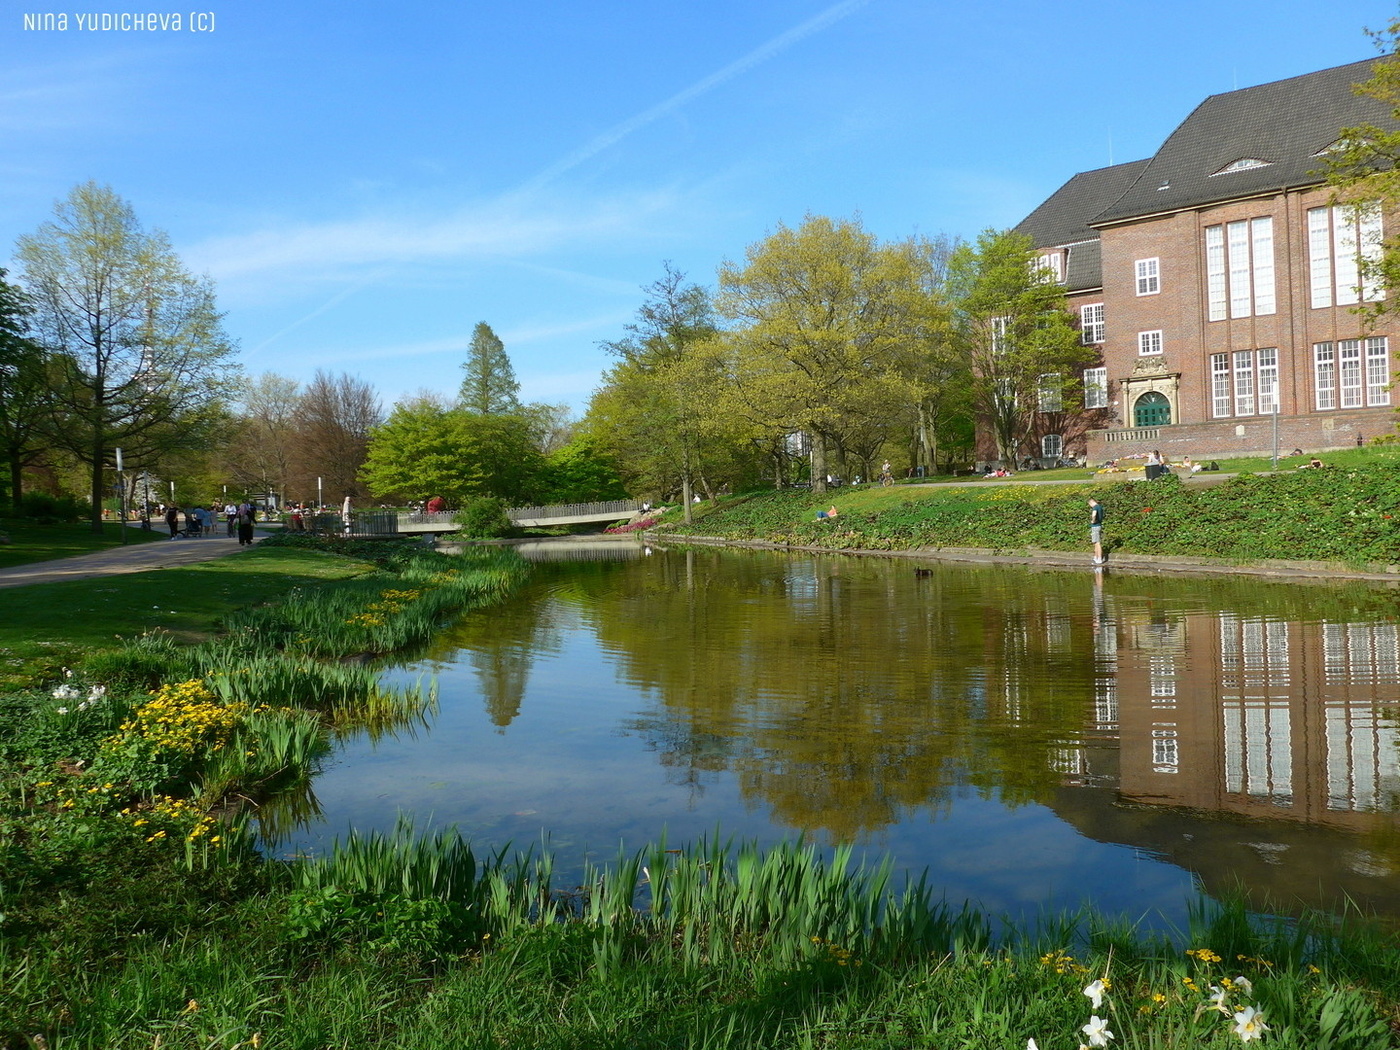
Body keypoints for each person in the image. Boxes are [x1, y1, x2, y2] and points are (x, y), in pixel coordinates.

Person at [1089, 497, 1105, 566]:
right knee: (1095, 542)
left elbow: (1094, 514)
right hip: (1099, 525)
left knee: (1097, 543)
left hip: (1095, 526)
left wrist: (1093, 520)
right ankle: (1096, 557)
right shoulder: (1100, 507)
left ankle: (1099, 559)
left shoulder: (1095, 507)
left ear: (1091, 502)